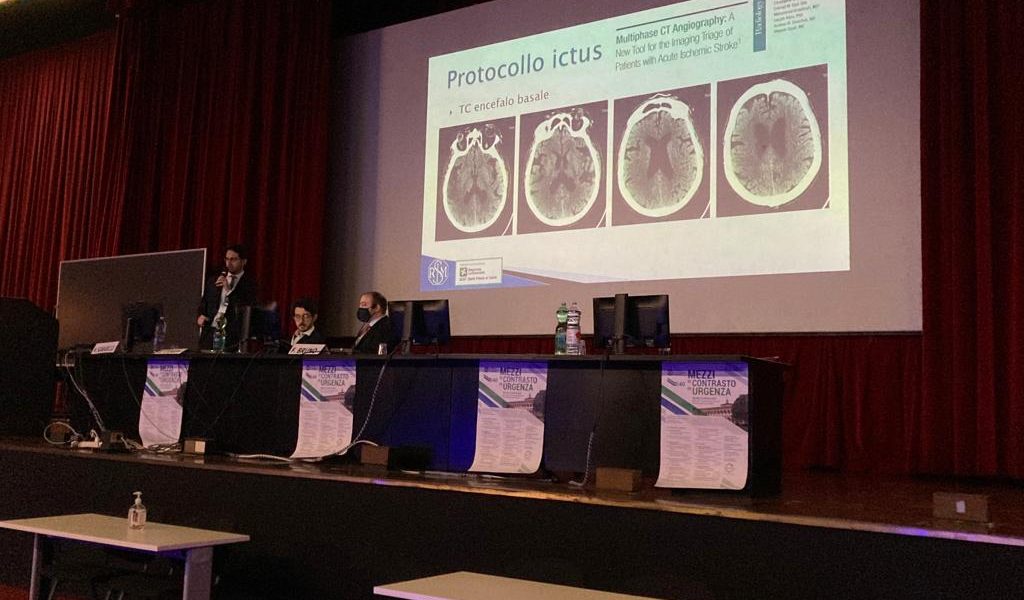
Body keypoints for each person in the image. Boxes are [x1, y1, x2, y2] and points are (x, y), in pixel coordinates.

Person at [197, 244, 259, 350]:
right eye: (227, 259)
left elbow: (245, 308)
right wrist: (201, 315)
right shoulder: (214, 280)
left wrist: (229, 290)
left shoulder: (250, 284)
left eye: (233, 259)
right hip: (211, 330)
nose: (229, 263)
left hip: (232, 335)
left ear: (244, 261)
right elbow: (204, 303)